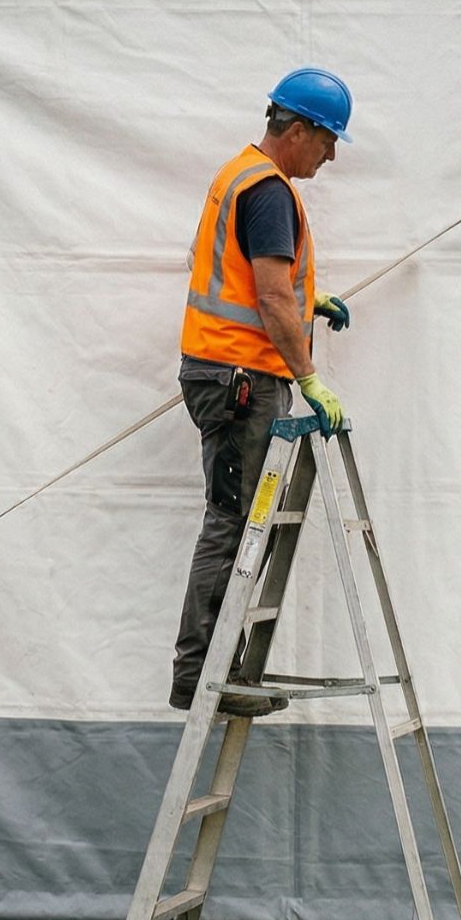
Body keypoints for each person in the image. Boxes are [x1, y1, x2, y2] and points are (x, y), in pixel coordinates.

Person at [169, 67, 357, 715]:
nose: (331, 154)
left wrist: (309, 300)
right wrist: (308, 376)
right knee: (234, 522)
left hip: (228, 374)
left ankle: (217, 674)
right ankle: (204, 680)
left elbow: (264, 286)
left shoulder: (240, 175)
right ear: (298, 129)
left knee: (240, 519)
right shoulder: (269, 191)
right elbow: (271, 297)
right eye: (329, 139)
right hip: (241, 380)